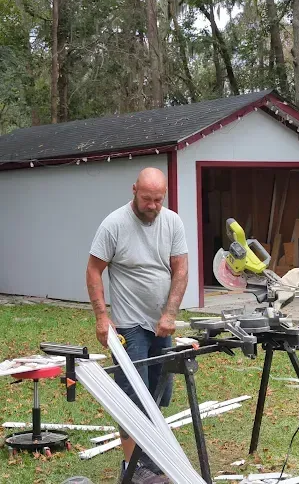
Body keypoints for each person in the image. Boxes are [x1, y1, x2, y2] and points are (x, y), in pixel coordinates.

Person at [86, 167, 188, 484]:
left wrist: (170, 313)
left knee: (158, 392)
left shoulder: (172, 223)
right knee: (132, 396)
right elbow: (93, 270)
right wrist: (102, 317)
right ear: (134, 190)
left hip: (161, 324)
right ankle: (132, 467)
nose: (153, 206)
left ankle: (150, 456)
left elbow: (181, 269)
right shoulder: (114, 225)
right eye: (147, 199)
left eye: (158, 199)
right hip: (129, 325)